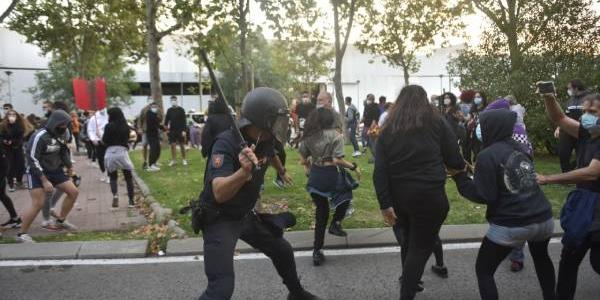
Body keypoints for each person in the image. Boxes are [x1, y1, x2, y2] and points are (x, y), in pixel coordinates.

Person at [196, 87, 320, 300]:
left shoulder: (265, 139)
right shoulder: (225, 143)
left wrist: (281, 171)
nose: (281, 125)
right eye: (278, 120)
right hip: (219, 217)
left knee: (282, 250)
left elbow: (270, 155)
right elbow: (218, 193)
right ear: (263, 119)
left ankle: (296, 294)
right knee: (221, 288)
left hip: (244, 214)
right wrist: (243, 172)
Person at [452, 109, 556, 300]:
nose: (478, 129)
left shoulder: (486, 155)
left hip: (512, 223)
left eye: (481, 125)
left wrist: (460, 178)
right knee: (542, 259)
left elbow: (484, 195)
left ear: (492, 127)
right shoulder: (521, 148)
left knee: (484, 270)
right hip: (544, 218)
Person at [373, 85, 465, 300]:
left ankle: (409, 281)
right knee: (420, 249)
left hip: (399, 197)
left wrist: (385, 204)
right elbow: (454, 159)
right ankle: (407, 291)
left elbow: (380, 172)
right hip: (429, 196)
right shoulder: (437, 122)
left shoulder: (388, 128)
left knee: (408, 243)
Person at [537, 92, 600, 300]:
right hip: (584, 205)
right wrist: (549, 97)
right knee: (569, 259)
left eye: (592, 112)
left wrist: (549, 178)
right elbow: (560, 119)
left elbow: (592, 172)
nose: (586, 116)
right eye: (584, 111)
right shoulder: (587, 133)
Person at [300, 107, 361, 266]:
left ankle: (317, 251)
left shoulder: (309, 136)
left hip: (316, 176)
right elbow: (337, 160)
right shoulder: (336, 135)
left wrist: (307, 168)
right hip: (331, 174)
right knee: (346, 194)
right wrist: (354, 167)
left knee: (321, 214)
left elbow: (303, 157)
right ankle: (336, 223)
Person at [17, 110, 79, 243]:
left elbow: (63, 151)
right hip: (36, 172)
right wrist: (44, 180)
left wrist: (70, 167)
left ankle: (61, 220)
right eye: (62, 125)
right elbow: (32, 159)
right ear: (54, 123)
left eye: (66, 125)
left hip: (55, 170)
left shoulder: (64, 133)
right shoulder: (39, 136)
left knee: (73, 192)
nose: (64, 128)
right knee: (38, 203)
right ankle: (22, 234)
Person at [102, 107, 136, 208]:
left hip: (110, 153)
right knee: (128, 177)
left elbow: (104, 141)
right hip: (122, 152)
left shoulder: (108, 126)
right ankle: (131, 201)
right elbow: (129, 139)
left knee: (113, 177)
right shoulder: (126, 126)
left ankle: (115, 195)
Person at [557, 79, 588, 172]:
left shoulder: (589, 98)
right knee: (563, 153)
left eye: (569, 88)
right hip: (567, 131)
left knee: (582, 154)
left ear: (576, 88)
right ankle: (566, 175)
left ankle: (579, 171)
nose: (568, 90)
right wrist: (558, 128)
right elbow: (564, 116)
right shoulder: (570, 100)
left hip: (582, 132)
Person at [1, 109, 32, 192]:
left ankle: (19, 182)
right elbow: (2, 136)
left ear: (17, 116)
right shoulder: (3, 126)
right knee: (9, 166)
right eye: (9, 115)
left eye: (13, 115)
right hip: (7, 150)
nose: (11, 116)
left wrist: (13, 141)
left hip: (17, 148)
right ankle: (11, 184)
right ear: (7, 117)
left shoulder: (20, 125)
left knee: (20, 165)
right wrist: (5, 141)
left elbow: (21, 137)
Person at [0, 114, 21, 229]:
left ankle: (15, 218)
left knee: (2, 194)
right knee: (2, 195)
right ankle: (15, 218)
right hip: (3, 165)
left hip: (2, 166)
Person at [87, 108, 109, 181]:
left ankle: (108, 174)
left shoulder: (109, 117)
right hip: (98, 141)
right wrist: (93, 139)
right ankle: (103, 172)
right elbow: (90, 130)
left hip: (108, 141)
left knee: (108, 158)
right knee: (100, 158)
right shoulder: (94, 118)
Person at [165, 96, 188, 166]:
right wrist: (165, 128)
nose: (173, 101)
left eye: (174, 100)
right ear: (170, 101)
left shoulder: (181, 110)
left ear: (176, 101)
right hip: (172, 130)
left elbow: (184, 121)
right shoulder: (169, 110)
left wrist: (184, 130)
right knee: (172, 145)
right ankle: (174, 160)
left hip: (180, 130)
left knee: (182, 145)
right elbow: (166, 121)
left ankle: (184, 159)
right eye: (172, 100)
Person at [464, 91, 487, 164]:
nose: (476, 99)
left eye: (478, 97)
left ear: (483, 98)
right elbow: (468, 118)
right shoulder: (473, 108)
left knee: (483, 151)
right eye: (475, 97)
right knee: (475, 151)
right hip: (474, 134)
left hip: (483, 133)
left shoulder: (487, 108)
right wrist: (463, 117)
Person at [363, 93, 380, 163]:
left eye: (368, 99)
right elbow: (364, 116)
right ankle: (374, 156)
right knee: (368, 142)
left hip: (373, 127)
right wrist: (359, 123)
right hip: (366, 126)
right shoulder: (366, 107)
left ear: (372, 99)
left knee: (372, 142)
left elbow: (374, 120)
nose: (367, 100)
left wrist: (370, 129)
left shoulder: (375, 107)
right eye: (367, 99)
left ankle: (376, 157)